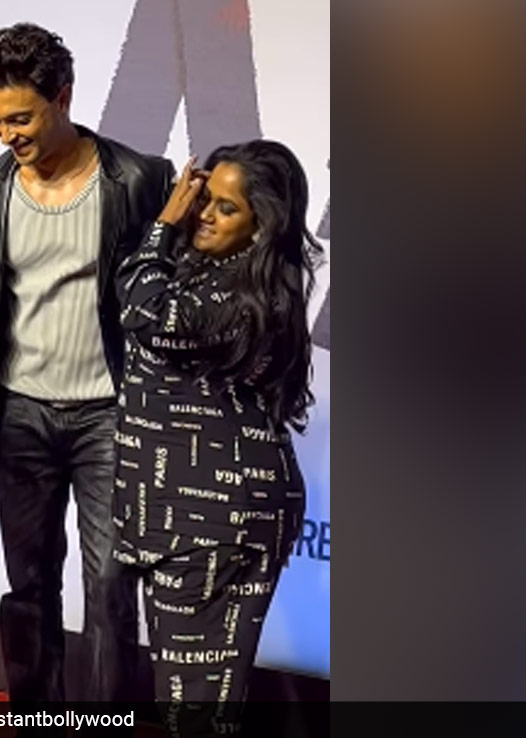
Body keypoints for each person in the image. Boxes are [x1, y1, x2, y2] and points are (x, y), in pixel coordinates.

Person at [0, 22, 174, 704]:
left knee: (111, 588)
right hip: (19, 413)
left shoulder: (138, 180)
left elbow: (170, 285)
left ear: (63, 97)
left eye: (20, 118)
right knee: (30, 584)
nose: (5, 134)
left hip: (112, 415)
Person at [112, 140, 321, 736]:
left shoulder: (237, 296)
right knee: (199, 704)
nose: (203, 213)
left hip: (212, 520)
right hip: (195, 514)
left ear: (262, 226)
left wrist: (162, 225)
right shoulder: (215, 276)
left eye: (226, 208)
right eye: (204, 198)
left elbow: (142, 312)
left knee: (196, 708)